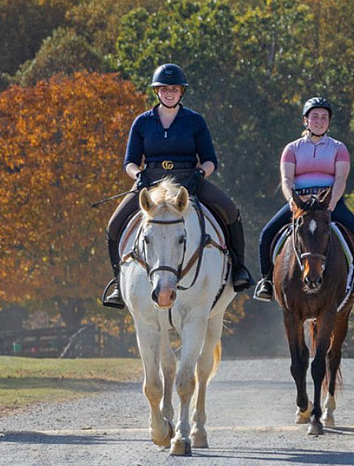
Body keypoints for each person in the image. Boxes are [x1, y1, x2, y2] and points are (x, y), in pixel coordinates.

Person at [101, 63, 254, 308]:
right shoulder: (142, 123)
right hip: (150, 182)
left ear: (181, 92)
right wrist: (137, 175)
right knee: (114, 225)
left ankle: (238, 269)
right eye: (164, 89)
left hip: (188, 183)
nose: (169, 93)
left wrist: (201, 173)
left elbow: (210, 160)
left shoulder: (195, 121)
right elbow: (129, 161)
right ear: (156, 92)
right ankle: (119, 285)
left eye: (174, 89)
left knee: (231, 211)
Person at [252, 97, 354, 303]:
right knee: (267, 233)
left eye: (324, 117)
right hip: (301, 203)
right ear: (305, 121)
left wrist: (332, 202)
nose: (319, 121)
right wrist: (292, 201)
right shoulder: (292, 149)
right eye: (314, 116)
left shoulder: (338, 148)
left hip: (328, 202)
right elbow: (287, 179)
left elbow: (341, 178)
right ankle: (266, 281)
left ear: (329, 122)